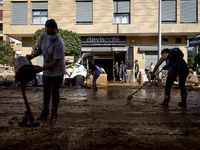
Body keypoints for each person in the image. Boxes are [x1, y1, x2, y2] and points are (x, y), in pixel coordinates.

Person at [26, 19, 66, 122]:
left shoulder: (59, 43)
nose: (50, 35)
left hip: (57, 70)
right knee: (46, 91)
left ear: (57, 32)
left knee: (55, 92)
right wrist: (32, 55)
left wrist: (42, 68)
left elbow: (55, 61)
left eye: (53, 33)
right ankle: (45, 110)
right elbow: (40, 49)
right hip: (47, 69)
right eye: (48, 32)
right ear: (45, 30)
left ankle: (54, 113)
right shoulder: (43, 36)